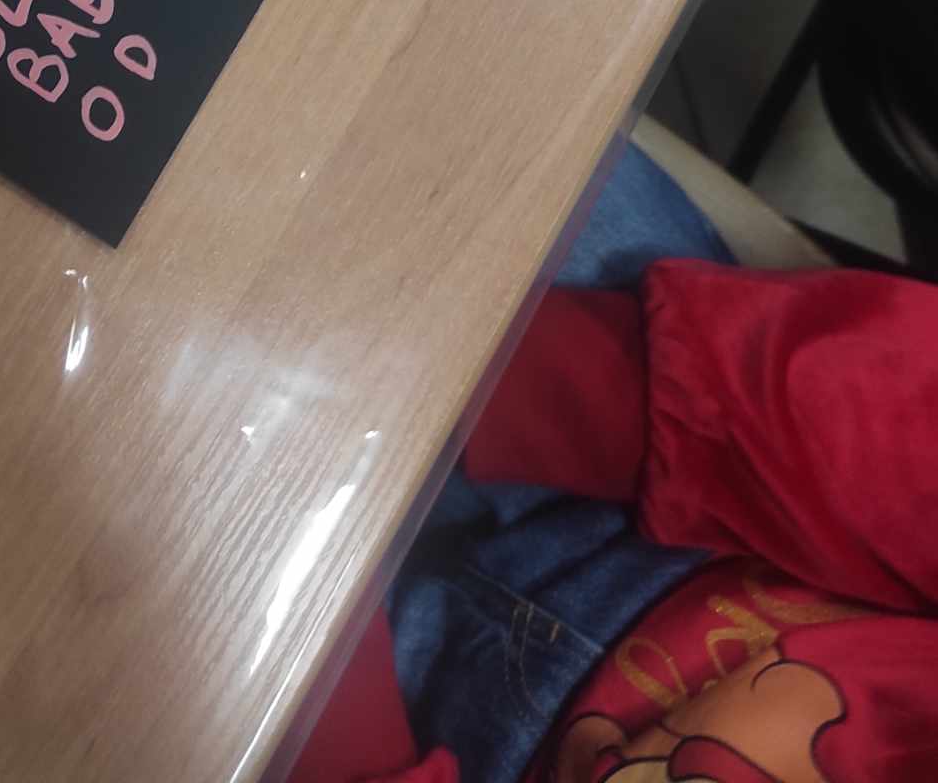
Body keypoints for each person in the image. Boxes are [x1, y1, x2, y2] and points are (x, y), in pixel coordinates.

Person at [291, 144, 938, 783]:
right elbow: (905, 428)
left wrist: (297, 645)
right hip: (713, 490)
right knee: (434, 128)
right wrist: (503, 377)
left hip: (434, 736)